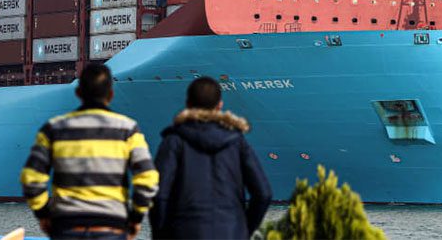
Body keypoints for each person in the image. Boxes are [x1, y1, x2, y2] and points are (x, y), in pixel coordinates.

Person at [20, 64, 159, 240]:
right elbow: (148, 178)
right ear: (111, 94)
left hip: (67, 226)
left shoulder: (54, 129)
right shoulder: (128, 129)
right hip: (112, 226)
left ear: (78, 93)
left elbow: (31, 178)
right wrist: (136, 217)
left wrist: (43, 214)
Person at [150, 77, 272, 240]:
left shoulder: (174, 141)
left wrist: (162, 233)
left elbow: (159, 195)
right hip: (231, 232)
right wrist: (242, 229)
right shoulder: (237, 142)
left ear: (188, 103)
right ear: (220, 104)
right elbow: (263, 194)